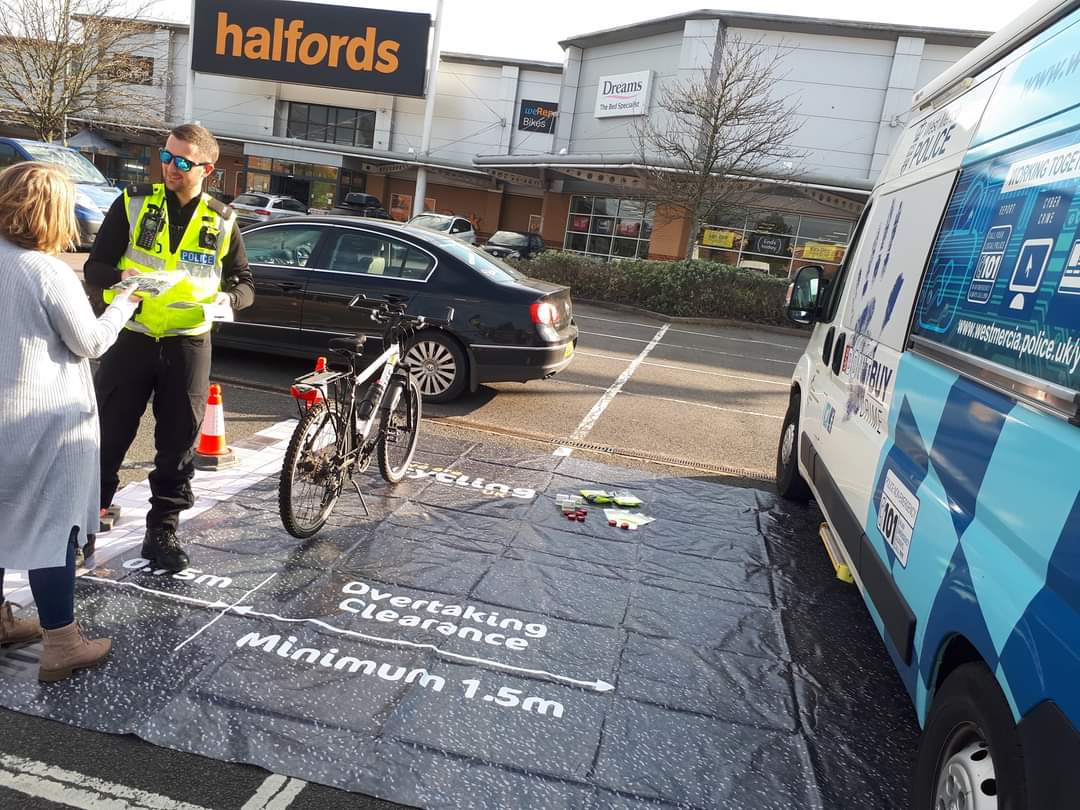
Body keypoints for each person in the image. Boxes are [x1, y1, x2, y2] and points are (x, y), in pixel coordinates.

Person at [84, 123, 254, 574]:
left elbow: (245, 284)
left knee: (179, 441)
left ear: (207, 168)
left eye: (182, 161)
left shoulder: (222, 219)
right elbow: (95, 266)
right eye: (166, 156)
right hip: (133, 336)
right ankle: (86, 522)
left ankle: (162, 530)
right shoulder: (134, 202)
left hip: (188, 343)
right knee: (109, 434)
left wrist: (228, 300)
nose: (170, 167)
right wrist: (118, 282)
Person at [0, 162, 138, 681]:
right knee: (51, 527)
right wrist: (126, 302)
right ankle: (62, 643)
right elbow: (91, 342)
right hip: (41, 422)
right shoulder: (46, 270)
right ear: (52, 211)